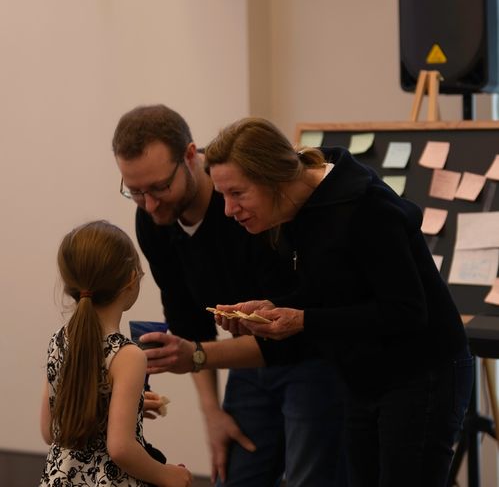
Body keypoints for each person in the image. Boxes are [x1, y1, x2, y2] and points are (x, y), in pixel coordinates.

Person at [141, 117, 474, 487]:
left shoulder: (365, 208)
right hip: (364, 374)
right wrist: (272, 308)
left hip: (422, 372)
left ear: (273, 178)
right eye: (223, 196)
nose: (228, 210)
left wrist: (302, 320)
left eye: (237, 194)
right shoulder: (295, 210)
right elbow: (331, 293)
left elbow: (406, 312)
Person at [112, 105, 347, 487]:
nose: (150, 204)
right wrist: (212, 414)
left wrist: (197, 356)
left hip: (310, 355)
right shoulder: (153, 222)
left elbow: (288, 331)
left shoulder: (248, 206)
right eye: (135, 192)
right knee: (235, 477)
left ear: (191, 156)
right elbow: (189, 323)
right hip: (249, 362)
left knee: (309, 477)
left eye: (159, 187)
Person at [39, 220, 192, 487]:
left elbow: (50, 431)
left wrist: (122, 407)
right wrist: (168, 475)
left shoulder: (59, 340)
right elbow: (120, 448)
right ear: (132, 278)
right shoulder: (128, 355)